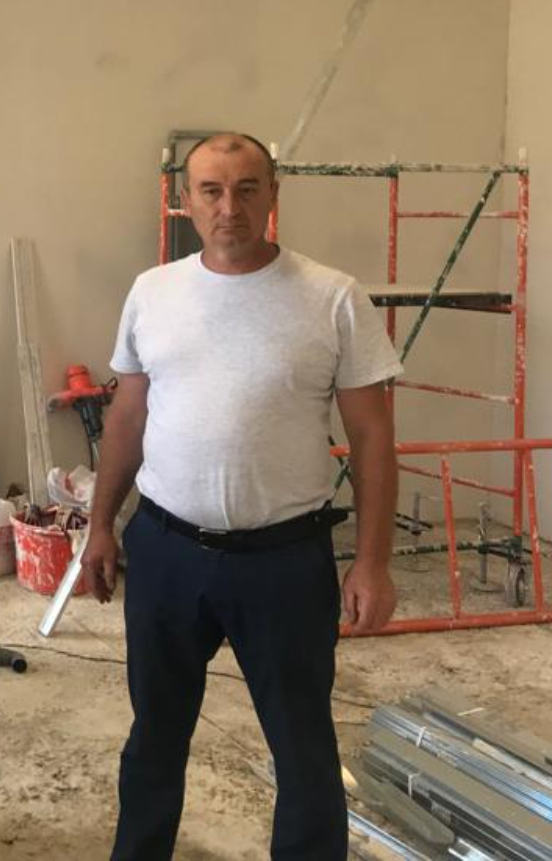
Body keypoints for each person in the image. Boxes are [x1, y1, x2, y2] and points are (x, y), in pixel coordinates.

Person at [84, 132, 401, 860]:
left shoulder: (332, 297)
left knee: (304, 749)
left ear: (274, 195)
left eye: (248, 188)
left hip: (283, 561)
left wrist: (373, 563)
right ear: (186, 201)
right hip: (166, 551)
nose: (230, 206)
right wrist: (100, 524)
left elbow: (373, 437)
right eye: (212, 190)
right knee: (155, 738)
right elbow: (127, 416)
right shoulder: (153, 292)